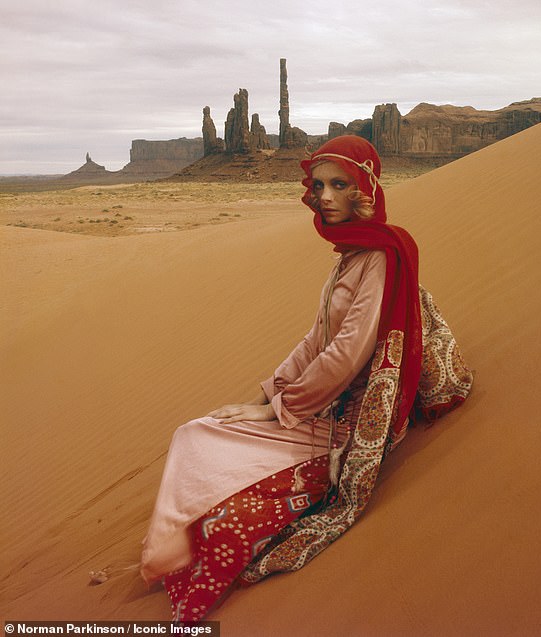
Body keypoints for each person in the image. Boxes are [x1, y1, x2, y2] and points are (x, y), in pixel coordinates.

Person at [140, 135, 423, 622]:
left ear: (367, 190)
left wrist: (275, 409)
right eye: (319, 186)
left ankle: (173, 554)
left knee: (211, 468)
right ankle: (165, 550)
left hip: (341, 425)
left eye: (340, 185)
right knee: (199, 431)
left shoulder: (380, 256)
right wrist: (267, 395)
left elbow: (347, 354)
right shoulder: (351, 254)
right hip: (311, 406)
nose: (326, 197)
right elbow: (314, 342)